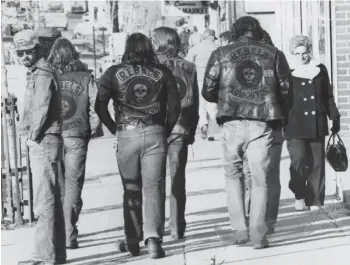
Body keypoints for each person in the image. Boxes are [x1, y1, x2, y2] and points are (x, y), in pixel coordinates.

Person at [202, 16, 292, 249]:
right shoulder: (274, 53)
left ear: (235, 31)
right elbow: (286, 90)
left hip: (232, 121)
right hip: (262, 121)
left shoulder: (221, 53)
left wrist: (226, 98)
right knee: (260, 178)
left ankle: (239, 229)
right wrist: (279, 113)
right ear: (258, 31)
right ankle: (258, 234)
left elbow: (208, 90)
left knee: (233, 175)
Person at [95, 33, 181, 259]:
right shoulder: (162, 72)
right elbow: (175, 107)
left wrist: (114, 128)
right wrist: (165, 130)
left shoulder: (113, 73)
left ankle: (133, 241)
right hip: (155, 132)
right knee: (154, 188)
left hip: (126, 134)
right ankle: (153, 240)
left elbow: (99, 105)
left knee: (131, 190)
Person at [15, 29, 66, 265]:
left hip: (43, 139)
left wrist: (32, 135)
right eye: (20, 53)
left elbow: (43, 106)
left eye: (28, 52)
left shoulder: (43, 72)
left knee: (44, 201)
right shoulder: (38, 71)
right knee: (50, 198)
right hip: (47, 139)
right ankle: (53, 254)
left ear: (38, 49)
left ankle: (45, 256)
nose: (25, 57)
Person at [47, 38, 101, 249]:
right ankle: (69, 232)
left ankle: (58, 233)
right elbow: (95, 105)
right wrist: (93, 128)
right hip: (77, 134)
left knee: (55, 185)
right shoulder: (86, 77)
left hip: (52, 135)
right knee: (73, 185)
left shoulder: (48, 76)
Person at [152, 27, 199, 239]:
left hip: (156, 128)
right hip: (181, 126)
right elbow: (194, 102)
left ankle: (157, 227)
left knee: (156, 179)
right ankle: (177, 226)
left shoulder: (150, 65)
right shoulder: (188, 67)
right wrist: (193, 129)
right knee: (178, 178)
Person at [285, 35, 340, 211]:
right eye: (297, 53)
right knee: (299, 161)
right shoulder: (287, 71)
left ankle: (315, 199)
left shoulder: (320, 69)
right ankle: (299, 193)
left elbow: (328, 95)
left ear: (310, 52)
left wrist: (334, 116)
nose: (302, 57)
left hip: (317, 121)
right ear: (292, 54)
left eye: (305, 53)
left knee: (317, 163)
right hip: (294, 123)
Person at [242, 30, 285, 234]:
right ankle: (269, 220)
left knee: (252, 175)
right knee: (272, 174)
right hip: (274, 122)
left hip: (251, 124)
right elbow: (287, 92)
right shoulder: (276, 60)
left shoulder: (246, 66)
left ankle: (253, 217)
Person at [186, 29, 219, 141]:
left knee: (200, 105)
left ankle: (203, 125)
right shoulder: (218, 49)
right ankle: (212, 132)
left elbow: (188, 65)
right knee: (212, 105)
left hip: (199, 80)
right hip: (215, 81)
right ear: (213, 38)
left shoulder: (195, 49)